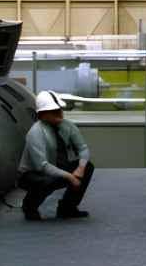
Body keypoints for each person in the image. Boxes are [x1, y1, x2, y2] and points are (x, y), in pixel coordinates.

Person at [18, 91, 94, 221]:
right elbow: (42, 166)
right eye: (53, 111)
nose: (59, 113)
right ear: (42, 114)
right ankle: (30, 207)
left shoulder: (67, 126)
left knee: (88, 167)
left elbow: (83, 148)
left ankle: (67, 208)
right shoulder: (35, 132)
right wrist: (70, 176)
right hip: (34, 174)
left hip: (57, 167)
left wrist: (81, 168)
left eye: (59, 109)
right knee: (46, 181)